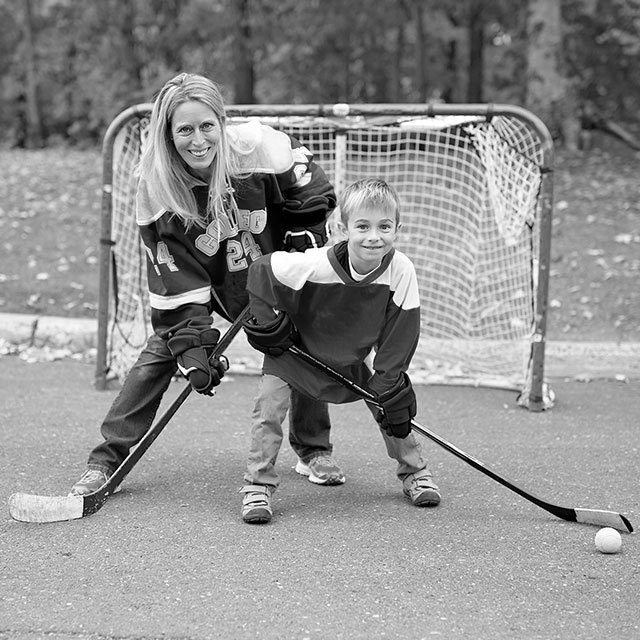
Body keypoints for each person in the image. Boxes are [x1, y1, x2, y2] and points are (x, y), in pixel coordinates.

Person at [69, 72, 345, 496]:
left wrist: (300, 240)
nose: (197, 140)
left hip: (268, 269)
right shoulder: (156, 183)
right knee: (161, 351)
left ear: (221, 121)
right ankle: (108, 459)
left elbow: (308, 186)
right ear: (167, 133)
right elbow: (171, 268)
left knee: (300, 337)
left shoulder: (257, 146)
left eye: (206, 126)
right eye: (184, 129)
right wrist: (193, 342)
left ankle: (313, 450)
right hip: (206, 281)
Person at [240, 178, 441, 524]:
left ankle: (415, 473)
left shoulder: (401, 270)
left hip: (352, 355)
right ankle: (257, 485)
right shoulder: (313, 264)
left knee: (392, 405)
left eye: (384, 227)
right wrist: (264, 318)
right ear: (342, 228)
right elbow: (262, 270)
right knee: (269, 408)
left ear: (397, 229)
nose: (373, 236)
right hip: (295, 353)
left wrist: (389, 378)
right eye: (362, 226)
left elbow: (402, 329)